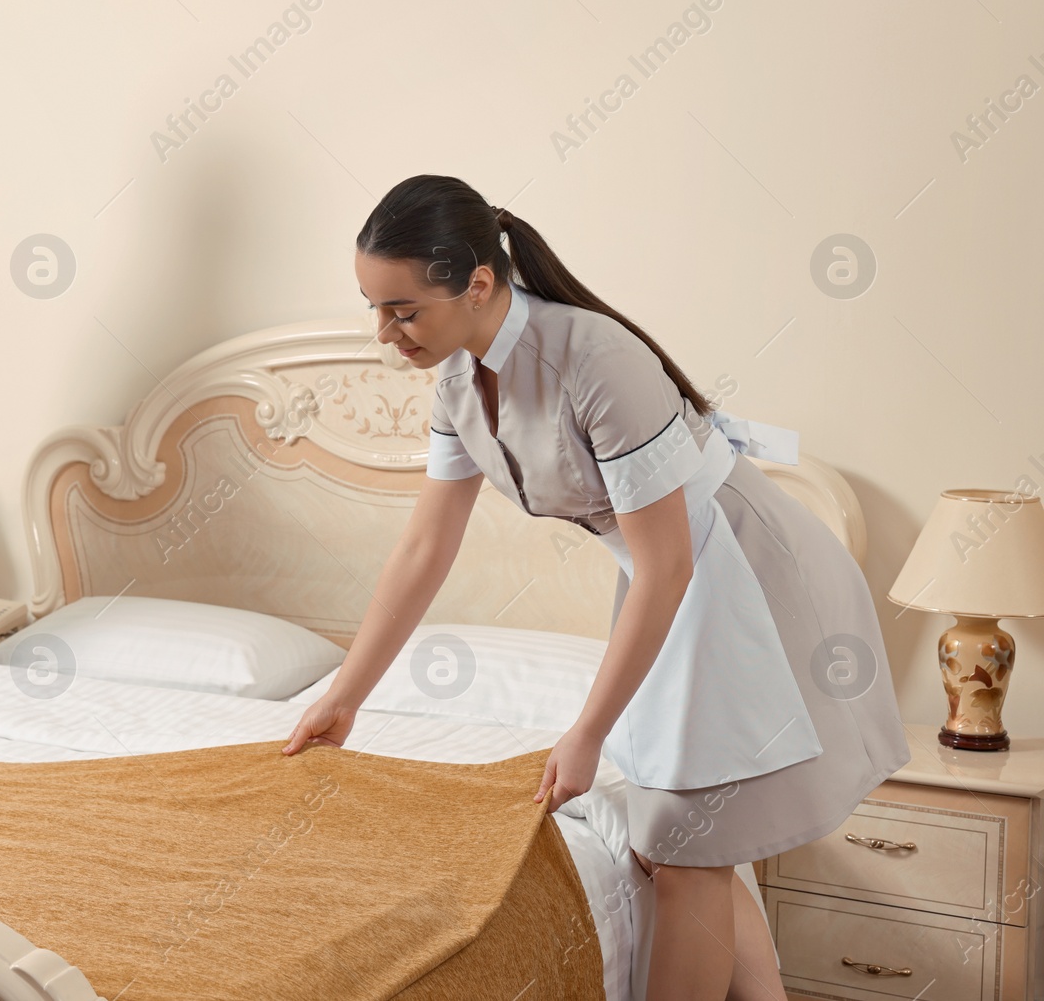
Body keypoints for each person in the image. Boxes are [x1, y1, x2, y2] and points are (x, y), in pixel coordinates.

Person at [282, 174, 910, 998]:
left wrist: (587, 732)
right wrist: (345, 694)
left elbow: (673, 563)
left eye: (403, 311)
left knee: (682, 848)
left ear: (477, 283)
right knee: (673, 841)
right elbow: (424, 548)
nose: (384, 334)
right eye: (374, 308)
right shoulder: (457, 386)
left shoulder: (596, 359)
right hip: (668, 576)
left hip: (740, 574)